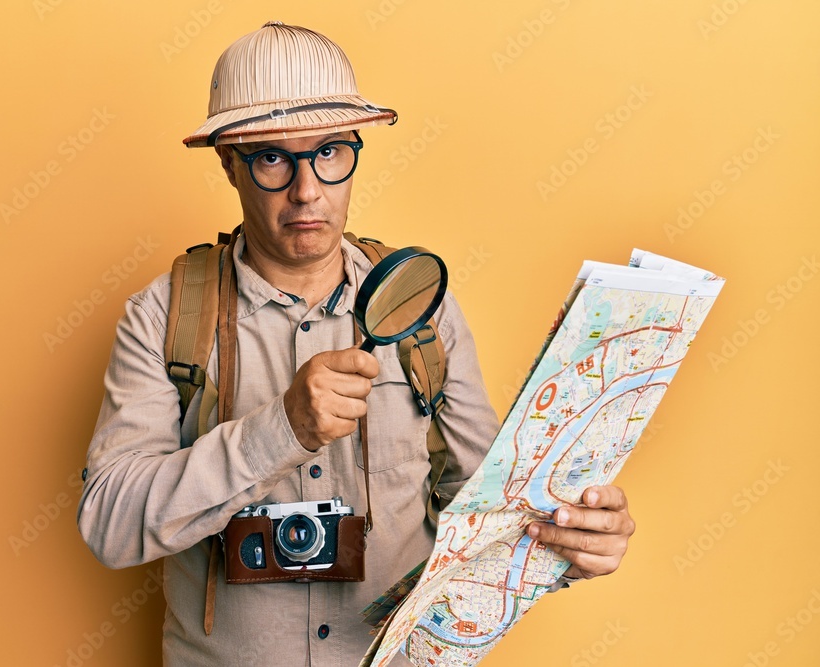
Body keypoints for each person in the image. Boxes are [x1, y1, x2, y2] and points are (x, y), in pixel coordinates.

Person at [77, 21, 636, 667]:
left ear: (355, 151)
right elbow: (110, 526)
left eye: (330, 152)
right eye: (271, 158)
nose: (307, 189)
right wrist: (281, 428)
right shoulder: (162, 317)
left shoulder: (425, 312)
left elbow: (487, 520)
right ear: (229, 163)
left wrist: (571, 542)